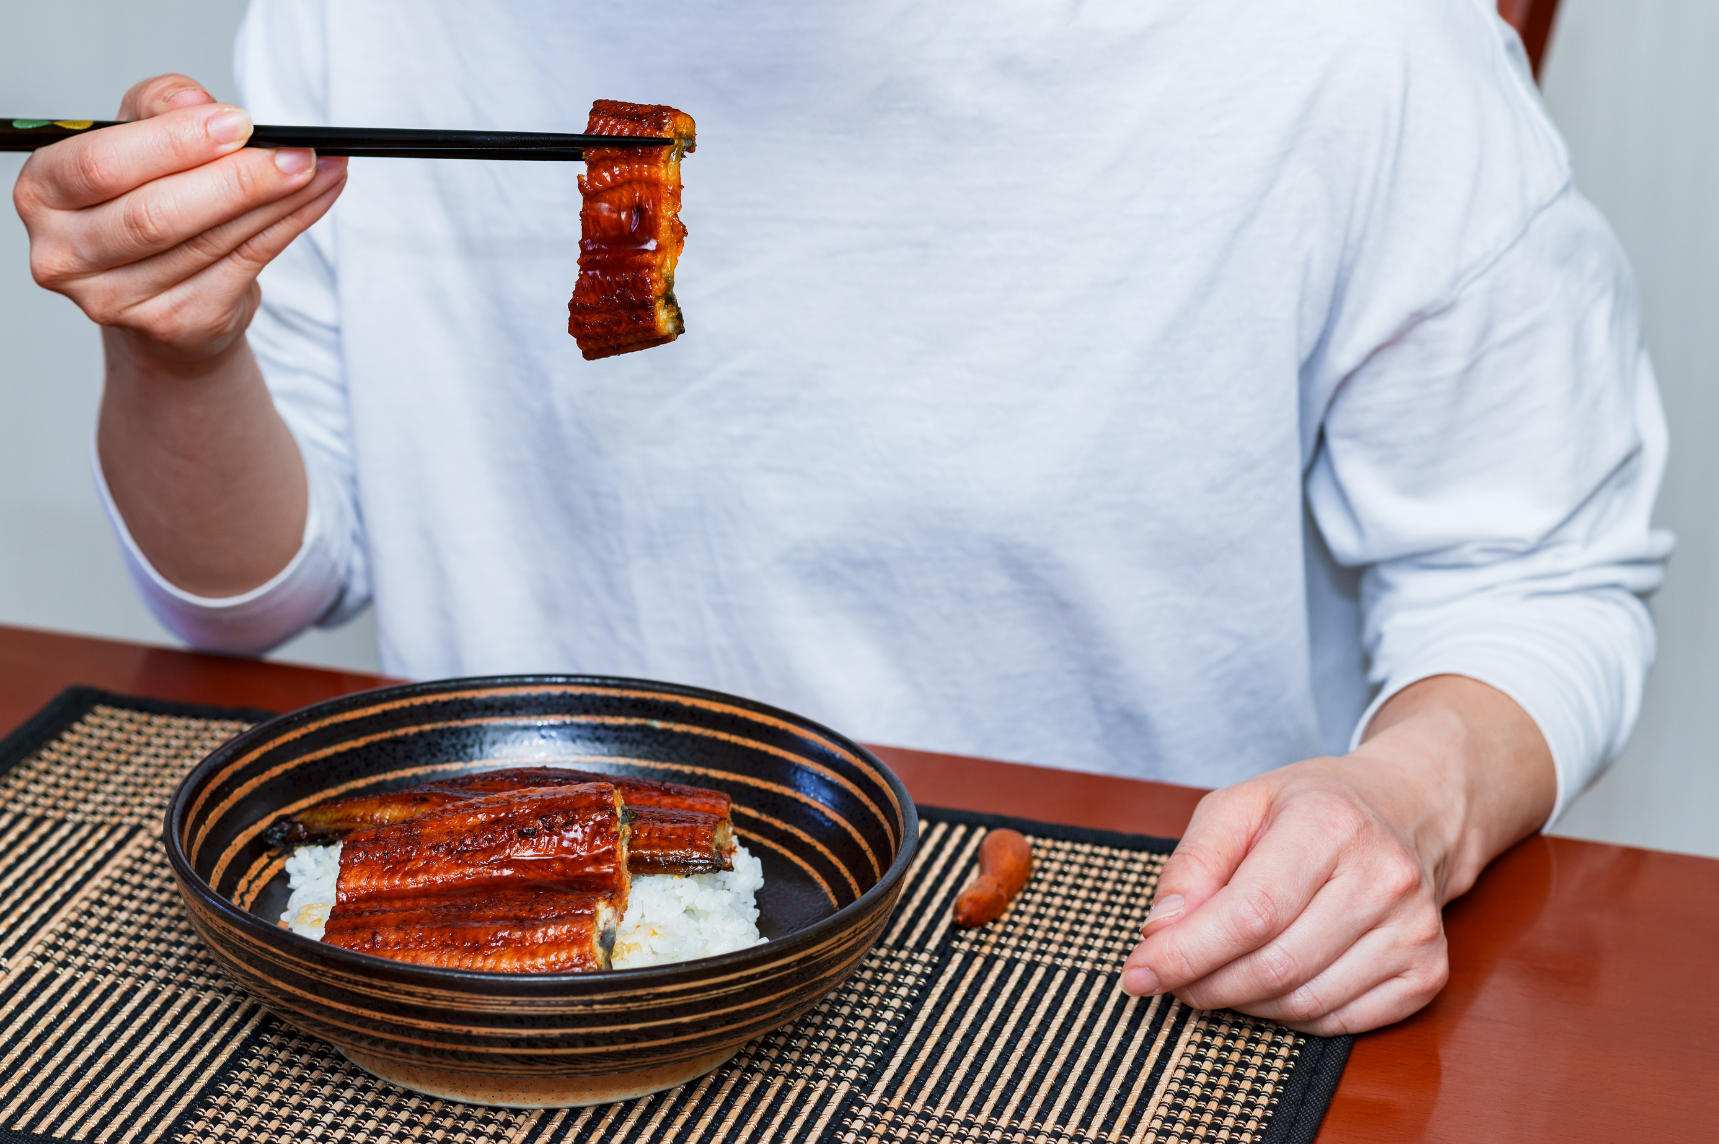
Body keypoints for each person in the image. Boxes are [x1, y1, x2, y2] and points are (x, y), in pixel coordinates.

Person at [13, 0, 1669, 1036]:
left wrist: (1403, 800)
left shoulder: (1345, 42)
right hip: (489, 972)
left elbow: (1538, 574)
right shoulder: (364, 17)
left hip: (1097, 962)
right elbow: (250, 604)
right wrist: (179, 344)